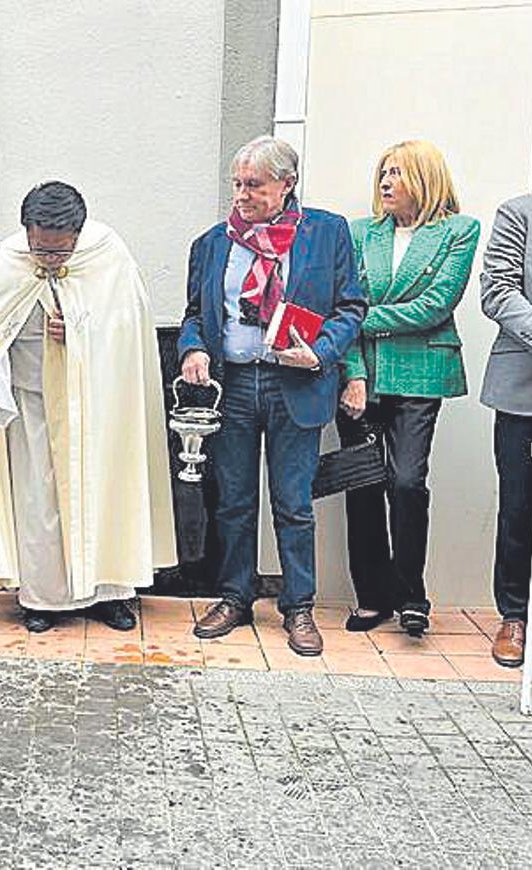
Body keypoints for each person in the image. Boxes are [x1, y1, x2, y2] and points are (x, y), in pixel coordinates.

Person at [0, 181, 176, 632]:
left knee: (104, 495)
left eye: (59, 252)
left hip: (97, 407)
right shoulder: (9, 264)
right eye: (41, 251)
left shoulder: (106, 255)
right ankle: (43, 600)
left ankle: (111, 594)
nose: (50, 262)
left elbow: (127, 333)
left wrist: (78, 330)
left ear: (78, 234)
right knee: (40, 508)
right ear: (27, 234)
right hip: (31, 405)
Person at [179, 135, 366, 657]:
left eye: (254, 185)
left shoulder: (326, 233)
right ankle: (235, 596)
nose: (242, 194)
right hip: (235, 384)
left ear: (287, 184)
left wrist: (322, 354)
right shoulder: (214, 242)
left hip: (297, 385)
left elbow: (351, 306)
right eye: (237, 184)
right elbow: (197, 313)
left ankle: (298, 607)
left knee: (293, 503)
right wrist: (192, 349)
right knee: (234, 501)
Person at [338, 141, 480, 636]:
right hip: (363, 378)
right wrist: (352, 372)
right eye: (382, 172)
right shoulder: (359, 233)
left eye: (396, 172)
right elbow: (344, 304)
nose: (384, 182)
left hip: (421, 376)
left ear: (424, 177)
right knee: (363, 487)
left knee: (405, 482)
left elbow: (436, 306)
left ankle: (411, 594)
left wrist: (363, 320)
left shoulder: (458, 232)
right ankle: (373, 598)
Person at [480, 184, 532, 667]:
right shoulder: (520, 213)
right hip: (525, 389)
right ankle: (515, 615)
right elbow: (498, 290)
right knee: (519, 505)